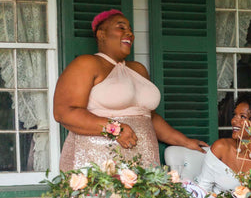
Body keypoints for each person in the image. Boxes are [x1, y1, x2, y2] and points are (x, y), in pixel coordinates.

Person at [54, 9, 207, 171]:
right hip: (99, 161)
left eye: (131, 30)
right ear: (101, 34)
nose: (129, 33)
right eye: (121, 27)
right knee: (102, 197)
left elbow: (149, 118)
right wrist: (115, 129)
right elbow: (64, 112)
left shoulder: (138, 69)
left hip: (143, 159)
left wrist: (184, 141)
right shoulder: (86, 63)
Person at [197, 93, 251, 194]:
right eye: (234, 115)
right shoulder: (221, 148)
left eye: (243, 117)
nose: (233, 121)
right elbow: (201, 190)